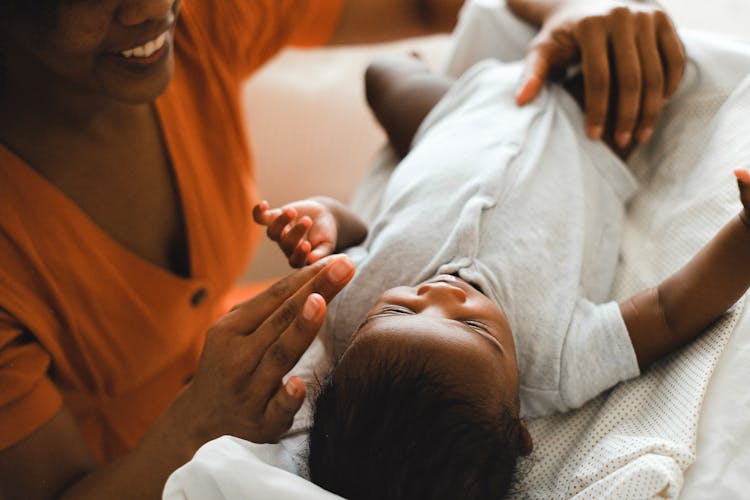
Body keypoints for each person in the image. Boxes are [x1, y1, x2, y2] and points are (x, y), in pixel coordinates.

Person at [0, 0, 684, 499]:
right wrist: (194, 424)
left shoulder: (195, 17)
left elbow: (431, 6)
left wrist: (579, 10)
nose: (151, 7)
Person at [253, 47, 748, 499]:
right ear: (516, 426)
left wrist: (323, 219)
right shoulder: (557, 363)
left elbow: (360, 229)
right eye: (471, 325)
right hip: (582, 129)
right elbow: (670, 310)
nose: (439, 294)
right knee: (641, 68)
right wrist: (745, 233)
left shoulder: (345, 308)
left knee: (382, 75)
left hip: (450, 122)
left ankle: (427, 61)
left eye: (401, 306)